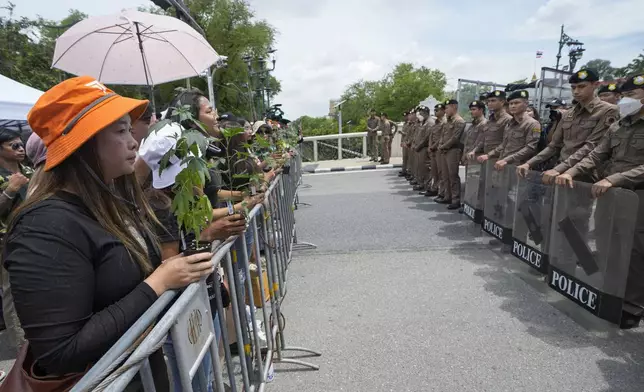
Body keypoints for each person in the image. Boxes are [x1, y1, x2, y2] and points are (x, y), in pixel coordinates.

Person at [4, 77, 215, 389]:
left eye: (130, 130)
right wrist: (159, 282)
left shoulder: (109, 204)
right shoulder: (44, 227)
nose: (134, 142)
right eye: (120, 131)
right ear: (83, 143)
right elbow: (60, 352)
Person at [139, 122, 255, 391]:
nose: (201, 174)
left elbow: (200, 221)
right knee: (194, 376)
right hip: (184, 308)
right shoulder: (161, 203)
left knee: (206, 367)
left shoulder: (180, 195)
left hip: (202, 295)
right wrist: (208, 235)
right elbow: (170, 262)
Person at [553, 73, 644, 328]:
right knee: (605, 241)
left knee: (634, 250)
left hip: (637, 194)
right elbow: (596, 154)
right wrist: (569, 172)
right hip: (608, 192)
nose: (626, 100)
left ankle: (633, 306)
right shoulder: (618, 125)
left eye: (633, 95)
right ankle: (610, 290)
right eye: (624, 95)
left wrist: (615, 179)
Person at [518, 69, 619, 183]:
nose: (576, 91)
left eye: (581, 86)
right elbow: (554, 146)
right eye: (573, 87)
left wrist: (559, 169)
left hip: (585, 175)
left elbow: (592, 146)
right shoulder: (568, 114)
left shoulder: (608, 111)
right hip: (560, 172)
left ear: (595, 85)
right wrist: (528, 163)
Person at [0, 127, 31, 354]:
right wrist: (10, 190)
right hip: (7, 241)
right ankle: (22, 348)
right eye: (14, 146)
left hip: (36, 235)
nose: (21, 149)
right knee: (12, 291)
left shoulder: (29, 170)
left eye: (22, 145)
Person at [479, 90, 541, 169]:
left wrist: (507, 159)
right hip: (503, 164)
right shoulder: (510, 123)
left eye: (516, 103)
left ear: (526, 104)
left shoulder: (532, 124)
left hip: (518, 166)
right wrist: (489, 155)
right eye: (511, 104)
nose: (513, 106)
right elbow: (504, 144)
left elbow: (530, 148)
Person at [437, 99, 466, 209]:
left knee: (453, 175)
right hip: (444, 150)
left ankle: (456, 199)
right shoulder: (447, 121)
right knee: (445, 175)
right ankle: (447, 196)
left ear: (454, 107)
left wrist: (443, 146)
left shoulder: (459, 121)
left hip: (453, 150)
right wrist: (441, 144)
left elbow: (455, 138)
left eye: (447, 108)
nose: (445, 110)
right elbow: (443, 135)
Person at [459, 100, 487, 212]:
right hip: (469, 157)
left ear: (481, 110)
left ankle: (476, 207)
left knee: (477, 183)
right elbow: (466, 142)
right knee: (470, 182)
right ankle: (468, 204)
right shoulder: (472, 124)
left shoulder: (484, 124)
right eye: (471, 109)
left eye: (474, 109)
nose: (472, 112)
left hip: (477, 158)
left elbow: (481, 143)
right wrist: (463, 155)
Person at [471, 90, 512, 160]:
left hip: (499, 158)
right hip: (487, 157)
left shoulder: (508, 119)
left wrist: (490, 154)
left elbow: (507, 143)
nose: (489, 103)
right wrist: (474, 150)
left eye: (493, 101)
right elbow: (484, 138)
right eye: (488, 101)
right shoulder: (490, 120)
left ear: (502, 102)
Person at [425, 103, 446, 197]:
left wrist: (433, 146)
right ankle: (435, 188)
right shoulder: (436, 122)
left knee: (441, 172)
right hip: (433, 149)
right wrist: (430, 146)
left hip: (439, 149)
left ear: (443, 111)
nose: (435, 112)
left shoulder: (444, 122)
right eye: (435, 110)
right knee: (434, 171)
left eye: (437, 110)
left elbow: (442, 137)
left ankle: (442, 191)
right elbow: (431, 136)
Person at [412, 106, 433, 192]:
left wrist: (419, 146)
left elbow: (426, 137)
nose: (419, 115)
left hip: (424, 148)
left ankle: (427, 186)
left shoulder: (429, 123)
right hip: (420, 148)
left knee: (426, 168)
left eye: (421, 113)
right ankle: (422, 183)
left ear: (425, 113)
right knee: (420, 167)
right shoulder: (422, 122)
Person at [398, 111, 411, 177]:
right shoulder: (405, 124)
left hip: (408, 143)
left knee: (408, 158)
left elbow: (409, 134)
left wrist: (402, 133)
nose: (404, 117)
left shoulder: (409, 124)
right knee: (404, 157)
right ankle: (404, 170)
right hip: (404, 142)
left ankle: (408, 171)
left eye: (406, 116)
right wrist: (401, 142)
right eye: (404, 116)